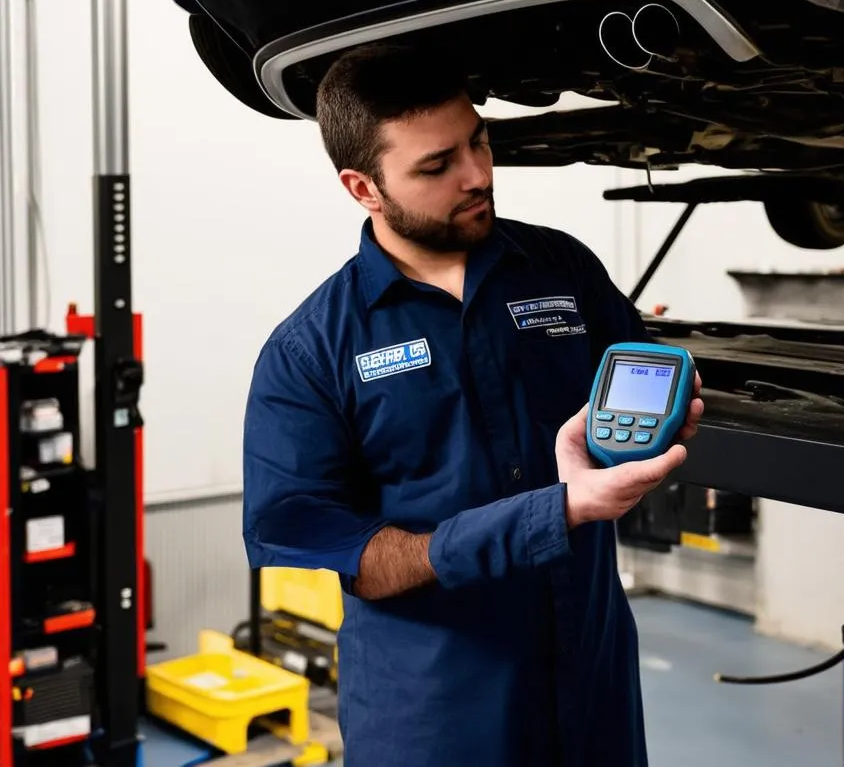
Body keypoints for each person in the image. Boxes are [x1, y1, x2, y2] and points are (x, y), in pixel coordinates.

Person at [241, 41, 704, 767]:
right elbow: (362, 561)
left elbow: (640, 388)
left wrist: (660, 429)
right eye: (436, 166)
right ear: (363, 188)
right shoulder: (310, 352)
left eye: (478, 142)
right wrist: (554, 512)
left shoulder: (564, 270)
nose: (478, 175)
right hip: (437, 719)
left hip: (593, 687)